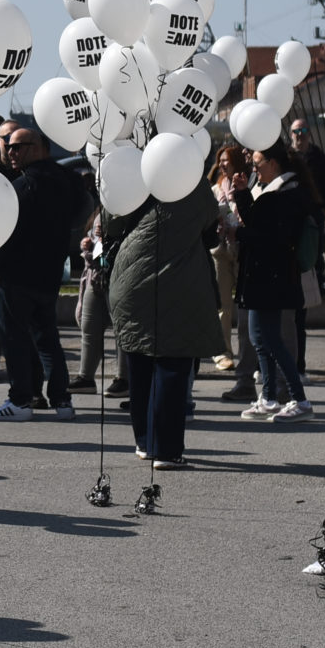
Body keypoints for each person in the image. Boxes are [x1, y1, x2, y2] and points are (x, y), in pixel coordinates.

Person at [102, 173, 224, 467]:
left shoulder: (133, 171)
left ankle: (145, 441)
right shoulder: (189, 177)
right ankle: (166, 450)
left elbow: (111, 221)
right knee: (172, 364)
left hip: (129, 278)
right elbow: (209, 221)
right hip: (178, 281)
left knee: (140, 363)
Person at [0, 125, 84, 420]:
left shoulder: (23, 186)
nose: (10, 152)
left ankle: (20, 400)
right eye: (8, 146)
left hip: (17, 276)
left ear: (39, 148)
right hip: (49, 274)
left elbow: (6, 232)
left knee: (14, 339)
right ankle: (62, 400)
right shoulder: (67, 179)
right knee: (47, 338)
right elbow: (82, 210)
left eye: (17, 147)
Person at [228, 142, 312, 421]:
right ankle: (269, 397)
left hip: (272, 278)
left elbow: (270, 237)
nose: (254, 169)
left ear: (273, 163)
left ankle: (299, 399)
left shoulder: (287, 193)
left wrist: (238, 234)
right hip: (261, 277)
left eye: (257, 163)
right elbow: (257, 221)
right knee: (258, 338)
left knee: (272, 339)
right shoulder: (271, 191)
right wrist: (243, 193)